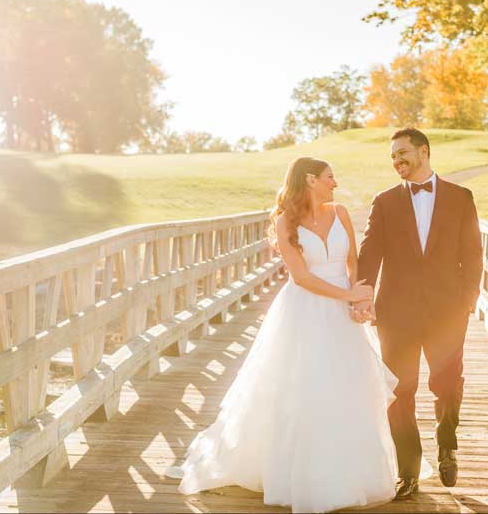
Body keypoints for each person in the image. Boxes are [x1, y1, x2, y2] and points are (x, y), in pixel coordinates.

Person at [174, 156, 424, 513]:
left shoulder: (339, 213)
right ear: (310, 180)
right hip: (305, 311)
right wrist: (346, 295)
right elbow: (301, 277)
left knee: (349, 386)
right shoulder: (285, 222)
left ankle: (354, 472)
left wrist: (360, 298)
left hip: (344, 310)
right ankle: (305, 474)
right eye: (329, 177)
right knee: (306, 388)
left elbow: (353, 259)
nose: (334, 183)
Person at [355, 127, 484, 500]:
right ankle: (408, 470)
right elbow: (370, 252)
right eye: (392, 157)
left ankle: (447, 443)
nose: (397, 161)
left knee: (446, 383)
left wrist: (468, 297)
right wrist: (364, 293)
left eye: (402, 153)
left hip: (448, 311)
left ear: (423, 151)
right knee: (400, 390)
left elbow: (473, 252)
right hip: (396, 312)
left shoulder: (461, 197)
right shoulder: (384, 202)